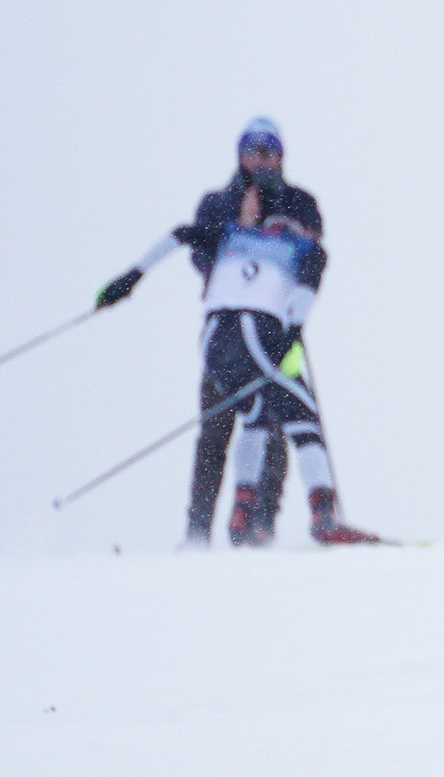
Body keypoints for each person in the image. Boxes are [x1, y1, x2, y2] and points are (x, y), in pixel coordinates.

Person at [95, 118, 378, 547]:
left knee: (265, 421)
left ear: (281, 156)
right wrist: (246, 242)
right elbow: (204, 252)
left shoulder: (299, 200)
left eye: (269, 151)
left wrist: (272, 228)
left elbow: (312, 238)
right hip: (244, 322)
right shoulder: (217, 205)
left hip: (255, 321)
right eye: (253, 150)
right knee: (230, 428)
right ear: (239, 154)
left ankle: (254, 523)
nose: (261, 159)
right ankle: (204, 532)